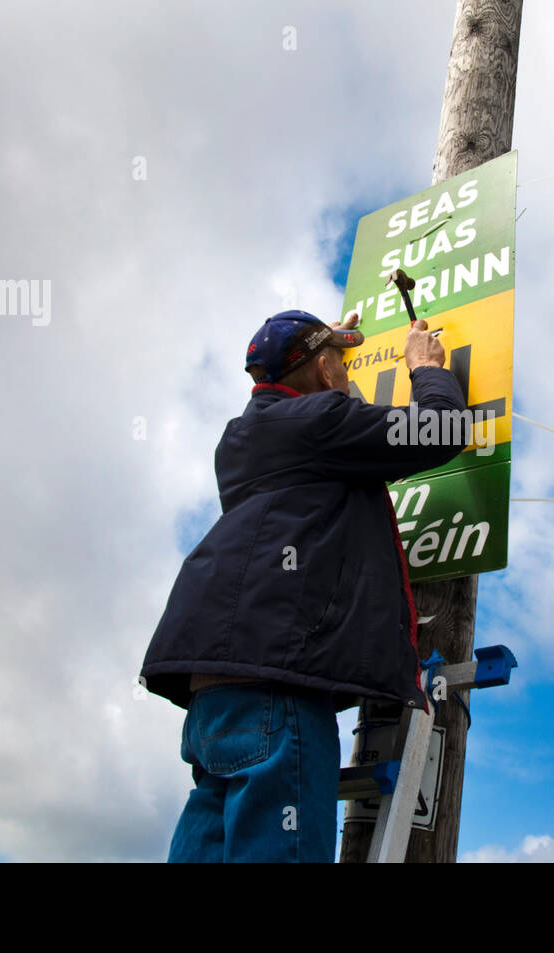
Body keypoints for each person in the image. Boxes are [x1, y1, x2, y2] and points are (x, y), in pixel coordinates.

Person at [141, 308, 468, 862]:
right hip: (277, 683)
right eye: (341, 362)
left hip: (213, 692)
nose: (347, 372)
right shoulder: (320, 421)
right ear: (321, 370)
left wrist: (324, 360)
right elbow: (441, 428)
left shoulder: (244, 438)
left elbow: (321, 417)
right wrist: (425, 368)